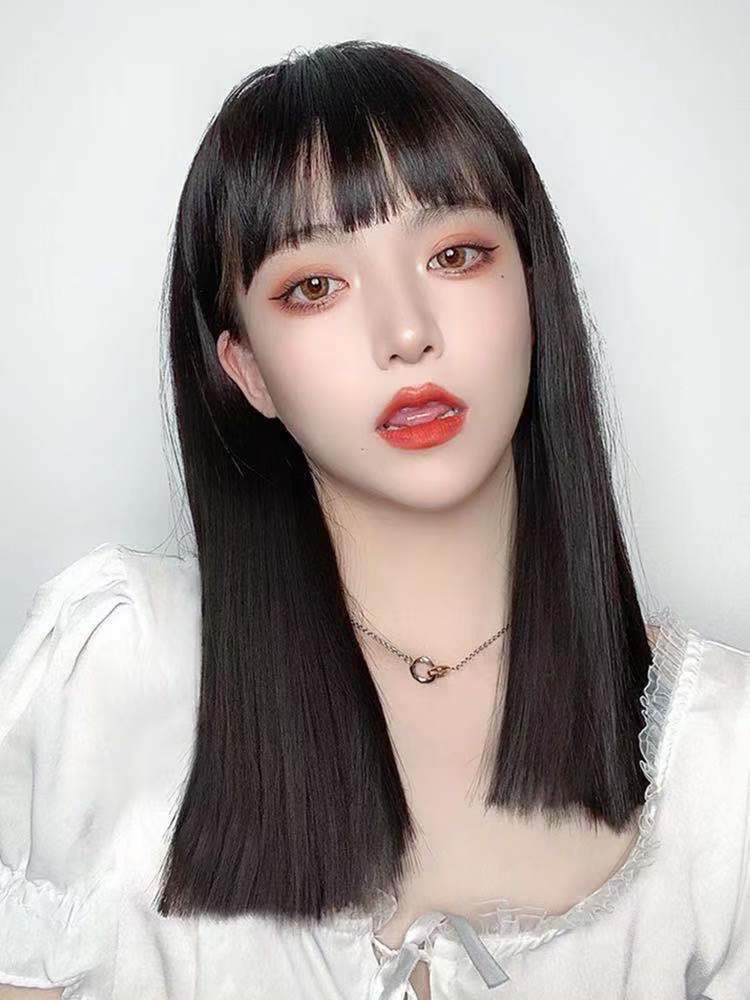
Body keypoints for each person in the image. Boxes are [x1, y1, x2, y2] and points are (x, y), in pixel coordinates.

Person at [1, 38, 748, 1000]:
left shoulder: (721, 758)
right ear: (248, 371)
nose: (405, 332)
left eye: (455, 255)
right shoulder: (112, 674)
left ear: (533, 290)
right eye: (314, 286)